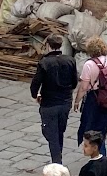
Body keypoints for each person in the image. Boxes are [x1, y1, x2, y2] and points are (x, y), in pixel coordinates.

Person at [30, 35, 78, 163]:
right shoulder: (70, 60)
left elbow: (35, 84)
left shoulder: (44, 63)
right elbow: (74, 82)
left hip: (49, 103)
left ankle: (57, 162)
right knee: (59, 131)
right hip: (65, 102)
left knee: (51, 134)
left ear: (48, 46)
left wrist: (35, 96)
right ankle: (58, 156)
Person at [73, 36, 107, 155]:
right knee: (103, 128)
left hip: (95, 100)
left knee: (92, 128)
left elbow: (84, 87)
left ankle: (100, 155)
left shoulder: (89, 64)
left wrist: (77, 101)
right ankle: (101, 152)